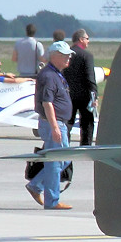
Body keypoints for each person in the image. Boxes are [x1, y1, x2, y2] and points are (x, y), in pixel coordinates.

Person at [25, 42, 75, 211]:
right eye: (65, 55)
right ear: (54, 56)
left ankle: (36, 185)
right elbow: (47, 103)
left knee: (65, 158)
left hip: (59, 123)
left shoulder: (56, 74)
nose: (68, 58)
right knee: (54, 162)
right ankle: (52, 201)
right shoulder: (49, 76)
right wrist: (54, 126)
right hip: (54, 123)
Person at [63, 29, 99, 146]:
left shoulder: (66, 54)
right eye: (87, 39)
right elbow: (90, 77)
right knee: (87, 122)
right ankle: (85, 146)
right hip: (84, 96)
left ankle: (64, 144)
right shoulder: (86, 56)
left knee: (68, 122)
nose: (88, 41)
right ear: (81, 39)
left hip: (68, 94)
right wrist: (94, 95)